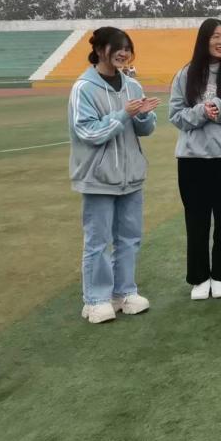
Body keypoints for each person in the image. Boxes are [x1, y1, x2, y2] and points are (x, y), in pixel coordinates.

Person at [69, 27, 158, 324]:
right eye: (117, 47)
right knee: (98, 240)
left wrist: (143, 115)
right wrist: (123, 114)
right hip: (98, 177)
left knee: (129, 237)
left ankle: (124, 292)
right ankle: (95, 299)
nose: (123, 53)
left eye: (127, 48)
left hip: (130, 175)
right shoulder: (84, 88)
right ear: (99, 50)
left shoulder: (133, 86)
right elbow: (88, 132)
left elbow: (145, 129)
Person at [169, 18, 221, 301]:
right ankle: (199, 277)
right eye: (216, 36)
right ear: (204, 40)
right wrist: (201, 112)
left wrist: (219, 107)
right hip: (193, 159)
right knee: (196, 220)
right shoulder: (185, 74)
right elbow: (175, 115)